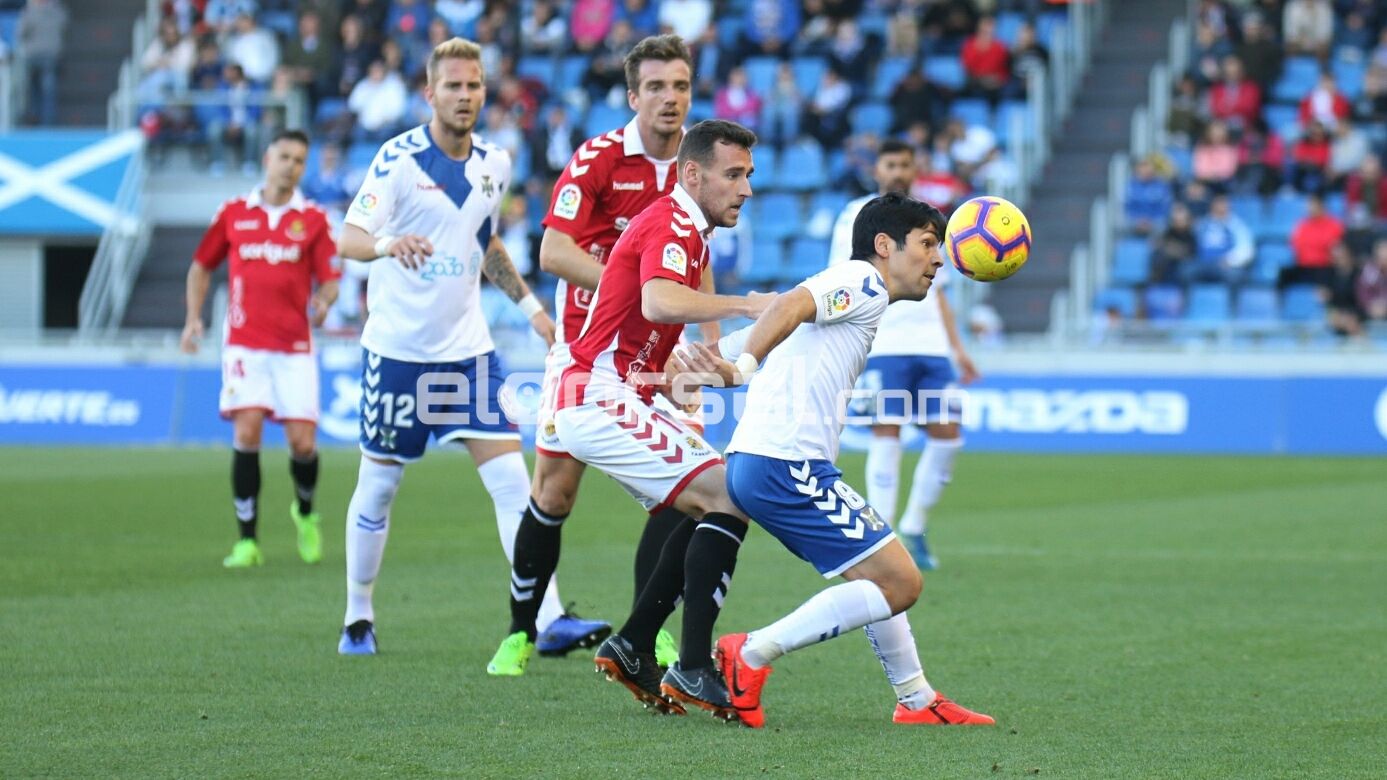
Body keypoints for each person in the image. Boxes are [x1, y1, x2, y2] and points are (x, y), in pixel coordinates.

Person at [667, 193, 993, 728]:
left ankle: (916, 698)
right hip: (787, 466)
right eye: (929, 244)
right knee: (902, 583)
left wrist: (687, 370)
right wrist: (745, 364)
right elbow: (792, 303)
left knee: (875, 575)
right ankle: (749, 653)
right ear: (885, 246)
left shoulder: (857, 295)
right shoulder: (862, 281)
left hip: (763, 462)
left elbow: (774, 322)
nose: (940, 259)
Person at [521, 120, 771, 718]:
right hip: (593, 396)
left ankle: (637, 644)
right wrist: (750, 303)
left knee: (717, 499)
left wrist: (677, 378)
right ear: (693, 174)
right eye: (733, 174)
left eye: (749, 176)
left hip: (616, 391)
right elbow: (657, 301)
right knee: (729, 498)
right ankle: (689, 667)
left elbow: (634, 332)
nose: (745, 189)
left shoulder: (689, 230)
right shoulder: (671, 222)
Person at [332, 38, 564, 657]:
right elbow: (349, 238)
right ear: (429, 93)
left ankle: (547, 616)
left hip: (468, 354)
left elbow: (484, 242)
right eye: (453, 86)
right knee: (379, 488)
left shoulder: (497, 162)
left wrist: (534, 310)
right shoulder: (398, 160)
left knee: (516, 485)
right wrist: (387, 244)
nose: (465, 96)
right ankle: (358, 615)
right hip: (399, 354)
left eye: (475, 85)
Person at [487, 34, 705, 676]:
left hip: (664, 353)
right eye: (657, 87)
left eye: (681, 86)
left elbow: (703, 255)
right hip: (586, 350)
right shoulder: (601, 159)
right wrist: (637, 285)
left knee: (687, 489)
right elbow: (552, 253)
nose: (671, 98)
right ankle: (520, 632)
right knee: (553, 493)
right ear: (633, 95)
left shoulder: (699, 163)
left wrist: (709, 347)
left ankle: (649, 633)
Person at [180, 129, 341, 568]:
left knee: (303, 444)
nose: (291, 165)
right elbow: (200, 267)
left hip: (294, 347)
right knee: (247, 432)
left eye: (300, 160)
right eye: (285, 156)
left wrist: (324, 303)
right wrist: (194, 318)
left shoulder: (313, 218)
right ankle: (248, 541)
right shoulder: (233, 213)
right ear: (267, 157)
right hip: (244, 345)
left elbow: (329, 279)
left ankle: (305, 512)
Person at [828, 140, 977, 570]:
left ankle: (913, 526)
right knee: (887, 433)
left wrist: (957, 347)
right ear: (877, 169)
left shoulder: (930, 219)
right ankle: (882, 536)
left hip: (931, 347)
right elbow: (845, 276)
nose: (897, 171)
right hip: (885, 344)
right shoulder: (857, 215)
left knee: (949, 437)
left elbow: (941, 291)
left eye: (905, 165)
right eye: (890, 164)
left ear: (915, 169)